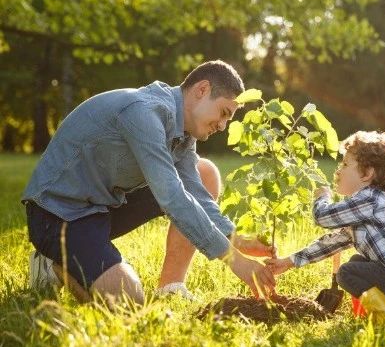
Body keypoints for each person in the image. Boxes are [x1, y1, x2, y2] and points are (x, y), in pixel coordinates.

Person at [23, 60, 275, 305]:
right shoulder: (144, 112)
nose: (222, 125)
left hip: (101, 206)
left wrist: (236, 239)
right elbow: (173, 197)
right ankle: (53, 261)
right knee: (128, 300)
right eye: (223, 113)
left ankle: (171, 287)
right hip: (58, 214)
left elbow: (196, 193)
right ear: (202, 90)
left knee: (204, 173)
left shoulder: (184, 135)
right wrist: (235, 261)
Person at [267, 131, 385, 323]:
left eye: (345, 164)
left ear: (367, 174)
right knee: (357, 261)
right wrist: (289, 261)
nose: (338, 170)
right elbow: (330, 243)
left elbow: (322, 217)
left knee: (347, 272)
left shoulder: (369, 199)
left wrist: (323, 198)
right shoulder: (364, 209)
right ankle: (366, 313)